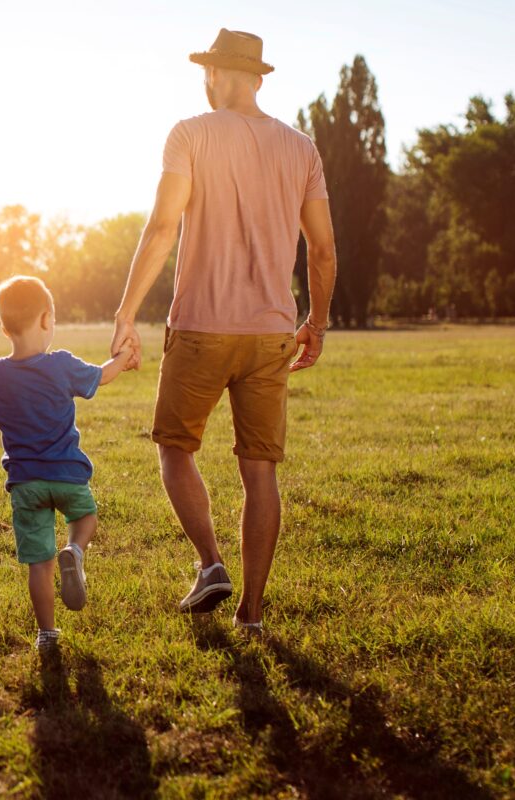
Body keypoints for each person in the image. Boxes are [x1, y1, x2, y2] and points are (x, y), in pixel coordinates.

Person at [109, 29, 338, 634]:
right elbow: (322, 249)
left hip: (201, 327)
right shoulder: (302, 148)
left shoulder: (190, 133)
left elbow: (161, 229)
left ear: (213, 75)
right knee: (259, 471)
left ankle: (211, 563)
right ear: (257, 78)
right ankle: (252, 614)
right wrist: (316, 321)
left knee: (174, 449)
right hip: (271, 334)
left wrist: (125, 312)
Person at [0, 276, 130, 650]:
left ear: (3, 328)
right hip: (68, 476)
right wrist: (125, 358)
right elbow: (103, 375)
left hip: (26, 484)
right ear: (47, 319)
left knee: (39, 563)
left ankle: (46, 633)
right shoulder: (62, 365)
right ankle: (76, 550)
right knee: (85, 518)